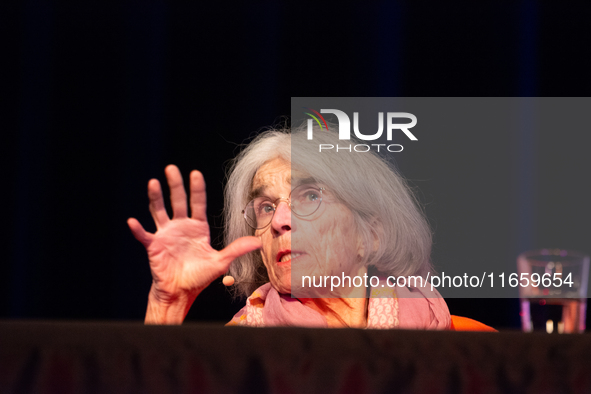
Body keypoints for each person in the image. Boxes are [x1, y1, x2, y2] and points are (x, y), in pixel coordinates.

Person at [128, 123, 494, 330]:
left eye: (310, 197)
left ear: (372, 235)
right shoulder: (236, 353)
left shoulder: (467, 344)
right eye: (266, 206)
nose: (281, 222)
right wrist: (167, 306)